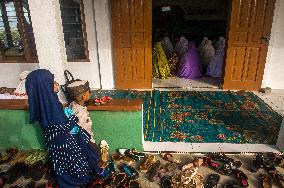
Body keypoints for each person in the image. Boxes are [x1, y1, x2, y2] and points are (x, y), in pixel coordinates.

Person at [26, 69, 100, 188]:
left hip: (55, 144)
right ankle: (75, 181)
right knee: (73, 163)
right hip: (64, 144)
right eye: (52, 82)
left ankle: (69, 178)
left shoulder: (43, 101)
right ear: (45, 85)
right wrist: (73, 118)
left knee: (61, 163)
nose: (56, 84)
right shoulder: (52, 105)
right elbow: (64, 127)